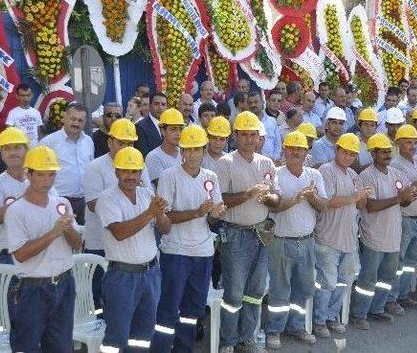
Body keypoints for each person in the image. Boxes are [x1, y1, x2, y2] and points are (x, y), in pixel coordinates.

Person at [151, 125, 226, 353]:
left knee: (193, 312)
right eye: (188, 149)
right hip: (176, 252)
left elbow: (213, 218)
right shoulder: (168, 176)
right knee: (168, 310)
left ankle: (184, 349)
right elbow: (165, 217)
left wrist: (215, 214)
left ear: (203, 150)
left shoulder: (210, 176)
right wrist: (197, 212)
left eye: (197, 149)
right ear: (182, 151)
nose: (192, 154)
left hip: (203, 253)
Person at [215, 111, 280, 353]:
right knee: (233, 293)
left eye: (254, 135)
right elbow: (221, 199)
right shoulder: (226, 163)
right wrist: (249, 194)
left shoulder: (267, 163)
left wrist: (268, 197)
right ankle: (228, 342)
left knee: (255, 291)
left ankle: (247, 339)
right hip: (235, 234)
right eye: (245, 135)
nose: (250, 140)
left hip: (261, 233)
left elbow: (277, 198)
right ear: (235, 136)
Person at [5, 145, 81, 352]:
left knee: (61, 347)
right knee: (27, 347)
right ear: (28, 174)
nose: (47, 181)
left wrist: (67, 230)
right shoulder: (16, 211)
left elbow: (77, 245)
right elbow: (20, 254)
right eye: (41, 175)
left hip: (64, 283)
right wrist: (53, 233)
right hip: (32, 289)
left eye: (51, 175)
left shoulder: (62, 203)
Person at [96, 146, 171, 352]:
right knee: (117, 336)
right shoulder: (107, 198)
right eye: (125, 171)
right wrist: (150, 213)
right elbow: (120, 232)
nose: (130, 176)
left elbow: (166, 229)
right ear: (116, 172)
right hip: (122, 276)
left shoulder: (147, 193)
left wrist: (161, 214)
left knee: (143, 336)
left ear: (140, 173)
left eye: (135, 171)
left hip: (150, 273)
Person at [264, 131, 327, 349]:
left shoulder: (314, 175)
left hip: (307, 240)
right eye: (291, 148)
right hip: (280, 240)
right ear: (284, 149)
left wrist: (312, 197)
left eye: (300, 149)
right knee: (280, 289)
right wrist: (297, 199)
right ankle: (274, 330)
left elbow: (323, 206)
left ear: (306, 152)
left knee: (304, 287)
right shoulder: (276, 173)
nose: (295, 152)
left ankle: (297, 326)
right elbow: (273, 206)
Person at [83, 118, 153, 312]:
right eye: (121, 142)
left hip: (133, 246)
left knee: (128, 309)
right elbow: (93, 205)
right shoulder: (94, 167)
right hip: (100, 244)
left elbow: (147, 195)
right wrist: (120, 196)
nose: (126, 147)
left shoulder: (140, 165)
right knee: (99, 302)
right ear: (110, 142)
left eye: (130, 143)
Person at [350, 133, 415, 328]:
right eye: (383, 152)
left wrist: (408, 198)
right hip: (374, 236)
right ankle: (359, 315)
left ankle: (377, 309)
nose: (387, 155)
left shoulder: (396, 174)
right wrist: (398, 198)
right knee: (368, 280)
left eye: (389, 151)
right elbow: (369, 206)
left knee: (387, 278)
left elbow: (404, 199)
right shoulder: (366, 176)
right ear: (373, 154)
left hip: (394, 236)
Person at [313, 133, 370, 337]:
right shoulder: (326, 170)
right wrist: (355, 196)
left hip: (349, 239)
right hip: (328, 238)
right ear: (336, 150)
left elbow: (360, 205)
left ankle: (331, 317)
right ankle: (319, 321)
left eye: (352, 154)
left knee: (343, 282)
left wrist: (363, 197)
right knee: (327, 283)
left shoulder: (353, 176)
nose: (347, 157)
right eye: (344, 152)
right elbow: (327, 202)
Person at [387, 125, 417, 310]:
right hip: (404, 218)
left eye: (415, 142)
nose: (413, 146)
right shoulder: (395, 165)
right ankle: (391, 299)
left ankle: (403, 294)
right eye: (408, 142)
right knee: (397, 261)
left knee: (410, 261)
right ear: (399, 143)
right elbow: (405, 193)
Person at [39, 103, 93, 224]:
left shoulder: (88, 141)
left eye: (80, 120)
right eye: (73, 119)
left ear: (84, 123)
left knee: (84, 240)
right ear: (64, 118)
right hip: (59, 202)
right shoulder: (48, 142)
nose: (76, 123)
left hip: (84, 202)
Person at [0, 128, 30, 264]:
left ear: (27, 150)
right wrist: (29, 196)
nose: (12, 152)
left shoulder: (41, 179)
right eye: (7, 149)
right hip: (8, 252)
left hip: (39, 248)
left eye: (17, 147)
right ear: (2, 154)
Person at [145, 108, 185, 184]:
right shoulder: (153, 157)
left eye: (180, 129)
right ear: (162, 131)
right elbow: (163, 187)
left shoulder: (186, 154)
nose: (178, 133)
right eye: (173, 129)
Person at [248, 91, 282, 162]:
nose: (253, 105)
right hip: (252, 161)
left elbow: (277, 143)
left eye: (256, 102)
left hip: (271, 162)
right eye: (250, 103)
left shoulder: (272, 121)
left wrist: (275, 159)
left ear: (263, 102)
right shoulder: (246, 122)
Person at [5, 83, 43, 147]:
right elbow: (8, 132)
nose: (26, 98)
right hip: (20, 148)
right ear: (17, 96)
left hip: (35, 148)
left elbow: (39, 133)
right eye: (23, 95)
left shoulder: (36, 113)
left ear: (32, 95)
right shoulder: (12, 113)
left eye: (28, 95)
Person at [135, 92, 168, 157]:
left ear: (167, 107)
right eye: (156, 104)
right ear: (150, 106)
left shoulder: (171, 125)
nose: (160, 107)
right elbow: (144, 156)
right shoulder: (140, 127)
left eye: (163, 104)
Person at [355, 108, 378, 172]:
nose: (369, 128)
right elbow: (354, 170)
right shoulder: (354, 142)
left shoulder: (380, 141)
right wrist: (378, 164)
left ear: (376, 127)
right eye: (365, 124)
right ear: (359, 126)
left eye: (372, 125)